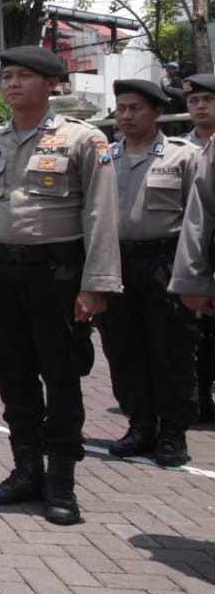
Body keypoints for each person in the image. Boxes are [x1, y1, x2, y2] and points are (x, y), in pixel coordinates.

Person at [0, 46, 121, 525]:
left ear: (51, 84)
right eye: (7, 76)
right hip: (3, 272)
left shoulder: (83, 139)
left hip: (58, 272)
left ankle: (61, 480)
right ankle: (25, 469)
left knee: (62, 374)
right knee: (12, 374)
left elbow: (100, 215)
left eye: (24, 76)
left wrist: (96, 285)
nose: (12, 84)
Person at [98, 80, 198, 467]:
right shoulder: (105, 157)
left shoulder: (183, 156)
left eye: (135, 108)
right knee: (124, 348)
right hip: (118, 263)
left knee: (171, 349)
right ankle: (140, 425)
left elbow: (197, 218)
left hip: (165, 262)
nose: (125, 115)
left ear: (157, 112)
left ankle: (173, 432)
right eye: (121, 108)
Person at [182, 74, 215, 420]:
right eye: (193, 101)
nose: (200, 106)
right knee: (195, 337)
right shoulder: (182, 150)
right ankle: (199, 397)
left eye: (207, 100)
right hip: (192, 259)